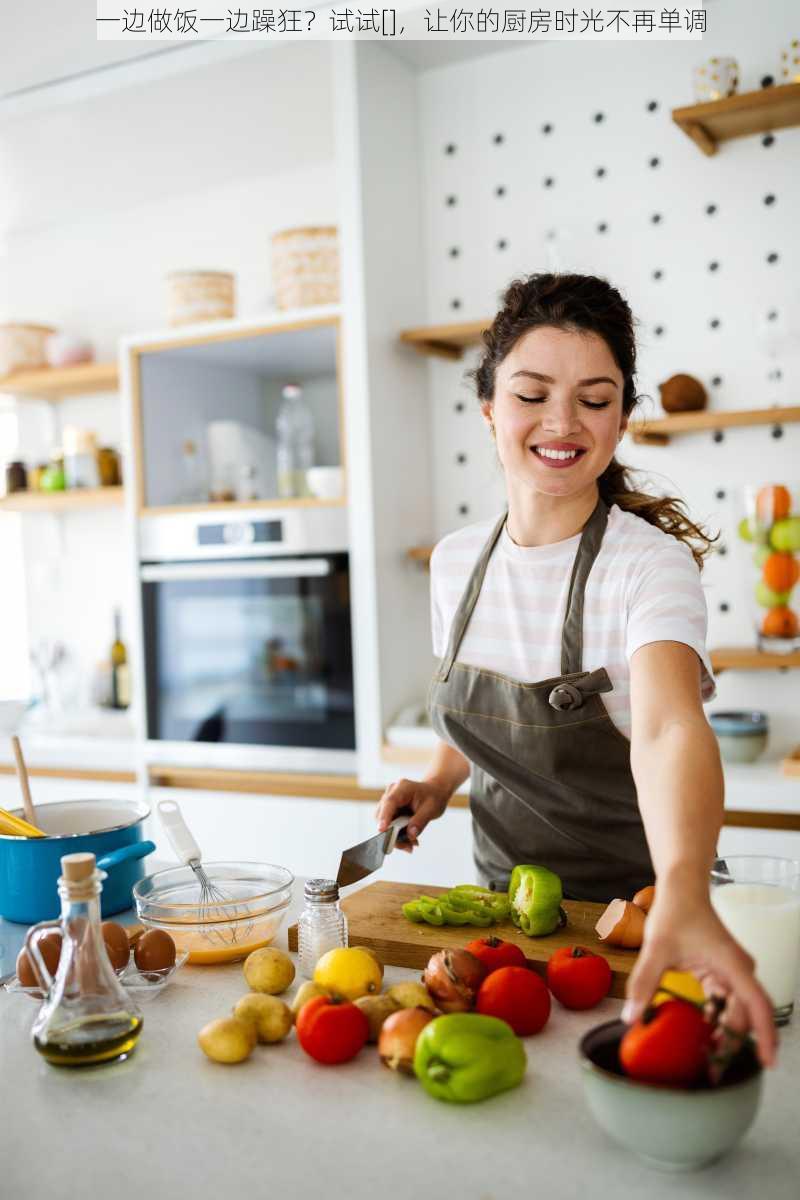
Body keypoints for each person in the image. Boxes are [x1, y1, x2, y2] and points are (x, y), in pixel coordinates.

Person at [376, 272, 777, 1067]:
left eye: (595, 400)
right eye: (532, 394)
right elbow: (481, 723)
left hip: (640, 922)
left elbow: (666, 727)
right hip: (502, 922)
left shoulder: (648, 566)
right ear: (489, 405)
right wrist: (436, 782)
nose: (563, 422)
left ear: (623, 418)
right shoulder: (458, 564)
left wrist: (687, 892)